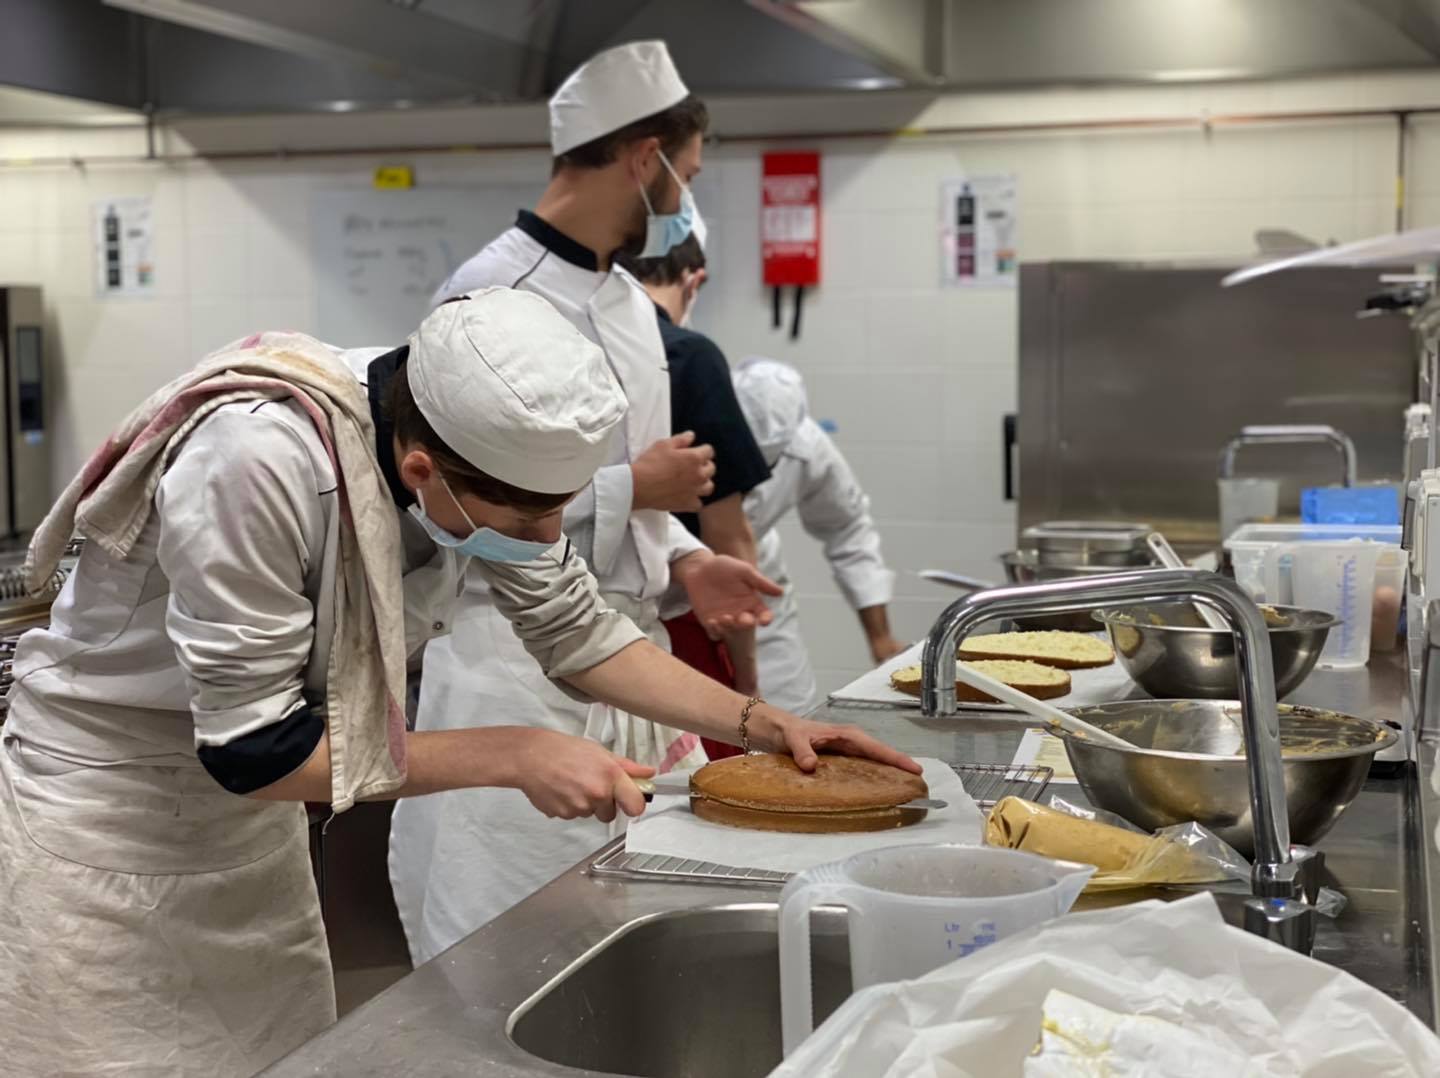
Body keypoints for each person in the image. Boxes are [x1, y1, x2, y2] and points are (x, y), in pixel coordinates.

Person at [0, 289, 916, 1076]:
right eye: (527, 518)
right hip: (107, 838)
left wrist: (764, 724)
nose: (541, 536)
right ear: (420, 470)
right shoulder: (257, 460)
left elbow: (576, 630)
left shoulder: (461, 442)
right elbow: (253, 749)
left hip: (246, 843)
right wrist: (515, 752)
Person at [390, 39, 757, 963]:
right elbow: (473, 496)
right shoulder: (489, 293)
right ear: (646, 159)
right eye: (685, 176)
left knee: (617, 937)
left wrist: (683, 557)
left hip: (613, 651)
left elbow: (616, 493)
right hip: (506, 664)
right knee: (502, 939)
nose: (681, 201)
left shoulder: (632, 306)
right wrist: (638, 484)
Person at [616, 231, 771, 757]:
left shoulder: (574, 348)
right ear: (693, 279)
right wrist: (746, 679)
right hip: (679, 628)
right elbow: (729, 535)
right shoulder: (689, 357)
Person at [733, 357, 906, 714]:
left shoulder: (807, 445)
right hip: (676, 599)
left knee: (788, 715)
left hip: (761, 593)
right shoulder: (680, 427)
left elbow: (848, 529)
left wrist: (880, 638)